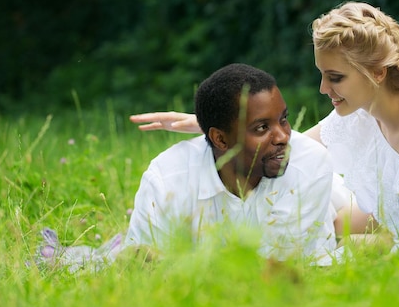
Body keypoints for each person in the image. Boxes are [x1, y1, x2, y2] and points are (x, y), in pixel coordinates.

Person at [131, 1, 399, 249]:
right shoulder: (371, 101)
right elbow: (300, 142)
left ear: (375, 71)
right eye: (322, 74)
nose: (322, 88)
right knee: (326, 223)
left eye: (334, 78)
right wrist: (211, 123)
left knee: (334, 235)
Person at [37, 63, 347, 271]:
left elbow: (278, 272)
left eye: (283, 119)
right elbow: (143, 267)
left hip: (332, 199)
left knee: (361, 226)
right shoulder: (166, 178)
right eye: (262, 127)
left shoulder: (309, 163)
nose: (283, 137)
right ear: (219, 140)